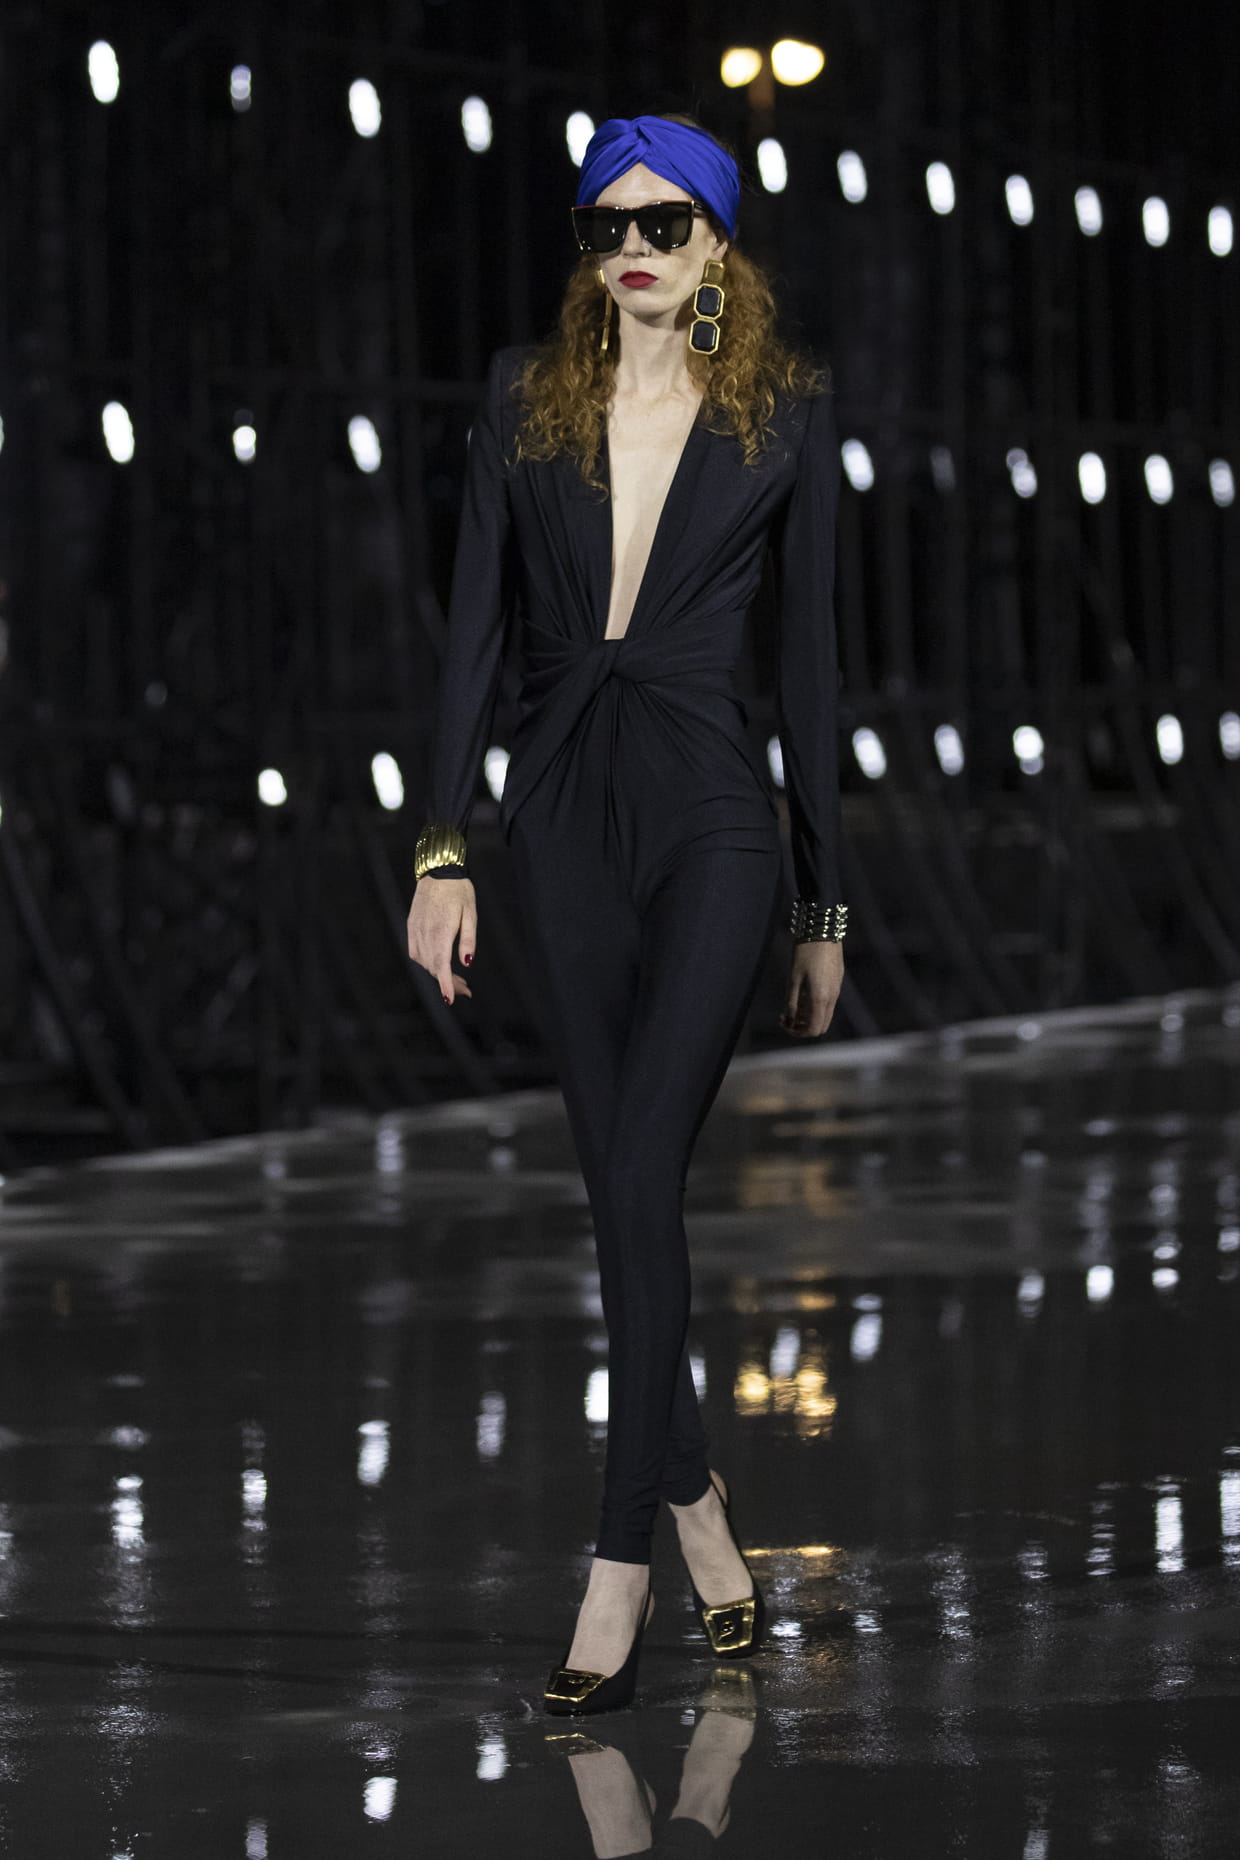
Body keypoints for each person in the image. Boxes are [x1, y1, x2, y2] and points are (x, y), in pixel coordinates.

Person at [406, 113, 846, 1715]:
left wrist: (825, 905)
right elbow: (472, 636)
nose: (638, 247)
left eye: (667, 221)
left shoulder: (786, 412)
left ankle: (617, 1570)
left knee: (643, 1162)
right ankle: (698, 1502)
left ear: (718, 240)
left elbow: (812, 669)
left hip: (717, 818)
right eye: (610, 224)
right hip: (559, 824)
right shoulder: (523, 396)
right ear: (587, 245)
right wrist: (439, 852)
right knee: (619, 1186)